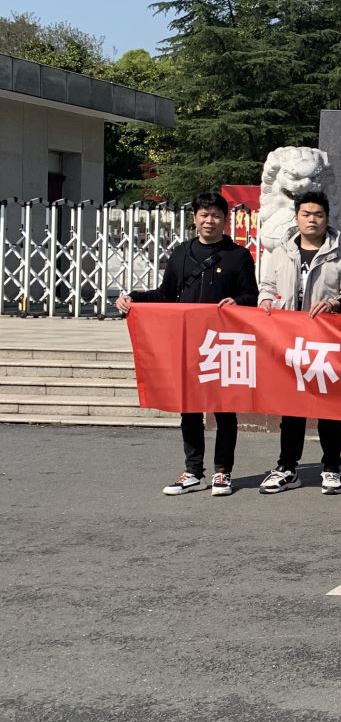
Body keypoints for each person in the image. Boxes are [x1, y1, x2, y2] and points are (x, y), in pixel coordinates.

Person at [115, 191, 258, 497]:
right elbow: (165, 294)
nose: (210, 221)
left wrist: (239, 302)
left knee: (224, 410)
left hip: (222, 344)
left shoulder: (238, 256)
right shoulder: (181, 253)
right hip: (188, 343)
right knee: (189, 409)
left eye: (216, 215)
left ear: (225, 220)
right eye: (204, 215)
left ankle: (223, 472)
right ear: (195, 218)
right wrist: (133, 298)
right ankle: (193, 471)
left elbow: (252, 296)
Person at [257, 190, 341, 496]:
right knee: (292, 408)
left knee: (329, 407)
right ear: (297, 217)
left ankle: (332, 467)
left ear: (327, 218)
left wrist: (335, 302)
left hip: (326, 341)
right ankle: (288, 468)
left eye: (318, 214)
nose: (312, 219)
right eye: (306, 214)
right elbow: (267, 286)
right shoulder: (281, 252)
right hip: (289, 340)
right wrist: (265, 301)